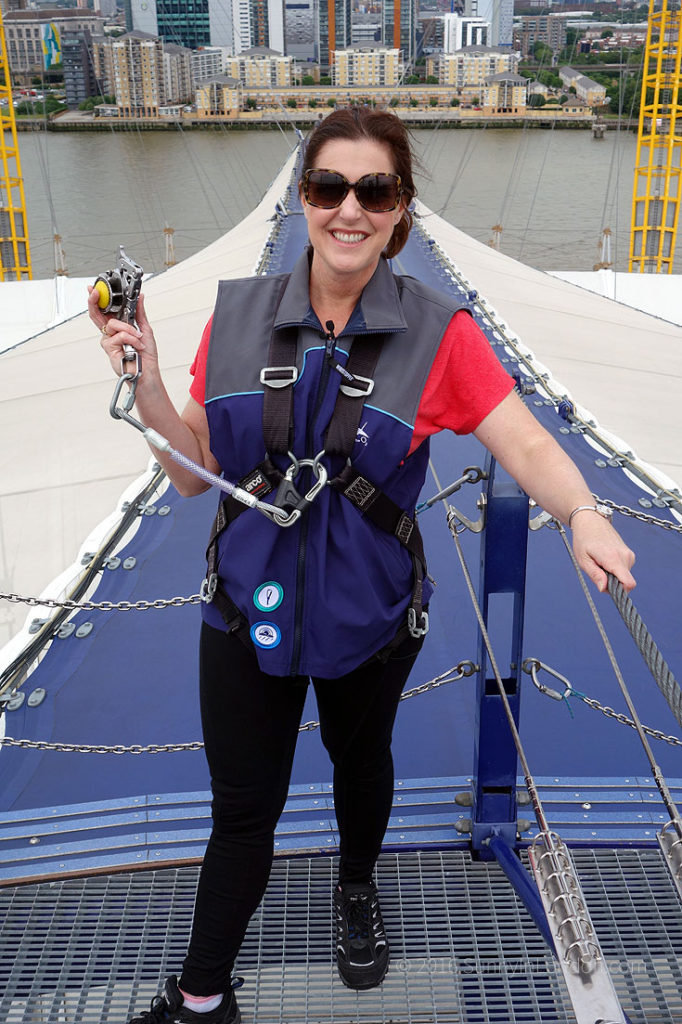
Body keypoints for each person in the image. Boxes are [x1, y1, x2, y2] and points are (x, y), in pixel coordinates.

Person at [89, 107, 636, 1024]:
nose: (349, 209)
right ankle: (199, 998)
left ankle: (355, 889)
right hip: (244, 609)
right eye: (327, 187)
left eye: (373, 191)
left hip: (369, 617)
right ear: (303, 198)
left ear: (400, 210)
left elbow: (527, 442)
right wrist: (138, 373)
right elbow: (192, 473)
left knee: (360, 761)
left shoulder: (439, 334)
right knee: (242, 811)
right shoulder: (238, 317)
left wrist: (581, 510)